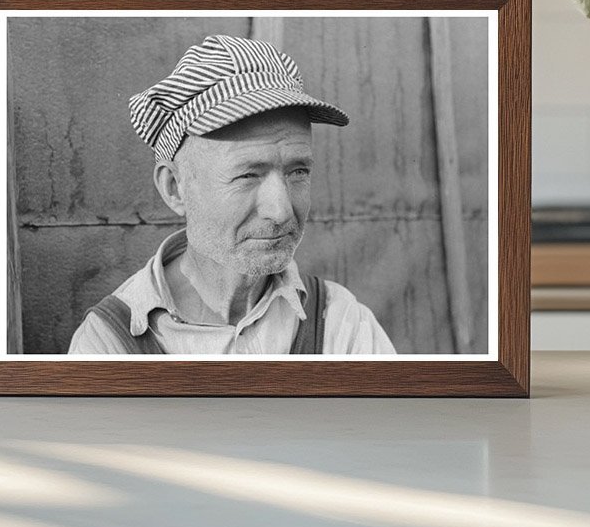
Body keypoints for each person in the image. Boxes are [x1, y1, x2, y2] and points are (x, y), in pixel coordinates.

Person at [68, 34, 396, 356]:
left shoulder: (343, 325)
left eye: (298, 172)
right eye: (247, 175)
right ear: (174, 188)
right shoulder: (107, 345)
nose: (281, 211)